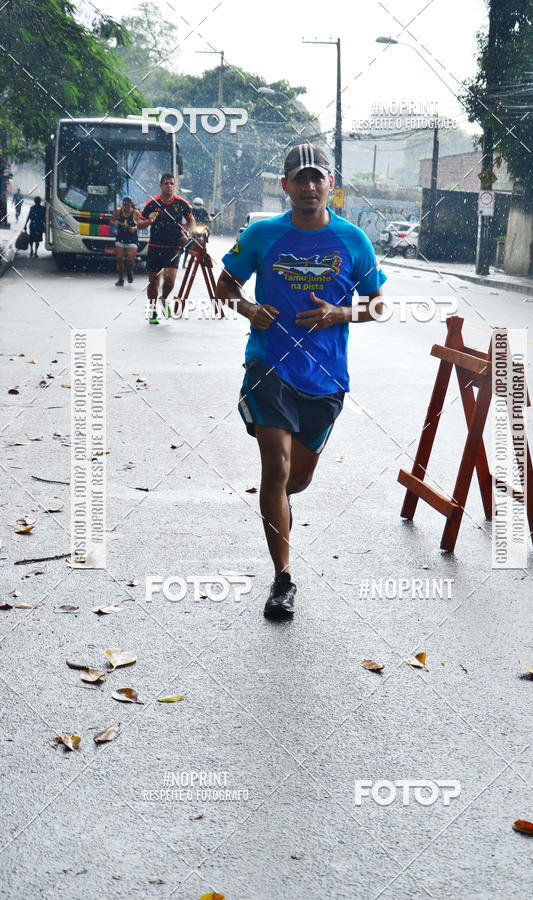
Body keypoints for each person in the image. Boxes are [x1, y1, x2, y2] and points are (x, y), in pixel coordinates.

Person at [216, 143, 386, 620]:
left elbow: (377, 304)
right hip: (268, 366)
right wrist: (249, 308)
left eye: (318, 178)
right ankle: (283, 579)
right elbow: (225, 282)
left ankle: (279, 502)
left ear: (331, 184)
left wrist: (339, 313)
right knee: (276, 466)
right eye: (300, 178)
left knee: (297, 478)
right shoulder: (262, 233)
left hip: (326, 378)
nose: (310, 186)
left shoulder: (354, 241)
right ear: (285, 185)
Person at [142, 174, 194, 325]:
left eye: (172, 183)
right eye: (166, 183)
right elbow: (140, 222)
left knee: (170, 279)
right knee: (153, 282)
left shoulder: (182, 203)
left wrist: (188, 232)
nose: (169, 186)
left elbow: (191, 219)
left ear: (175, 186)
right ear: (160, 185)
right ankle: (152, 310)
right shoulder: (152, 203)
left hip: (173, 247)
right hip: (155, 246)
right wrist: (149, 220)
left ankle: (163, 299)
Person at [110, 196, 146, 286]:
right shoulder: (118, 211)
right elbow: (112, 221)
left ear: (131, 205)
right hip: (120, 238)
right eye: (124, 205)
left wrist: (135, 228)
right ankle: (121, 279)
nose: (126, 207)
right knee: (119, 258)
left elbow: (141, 225)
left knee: (130, 261)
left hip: (132, 240)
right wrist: (115, 224)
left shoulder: (135, 213)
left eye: (128, 205)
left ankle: (129, 271)